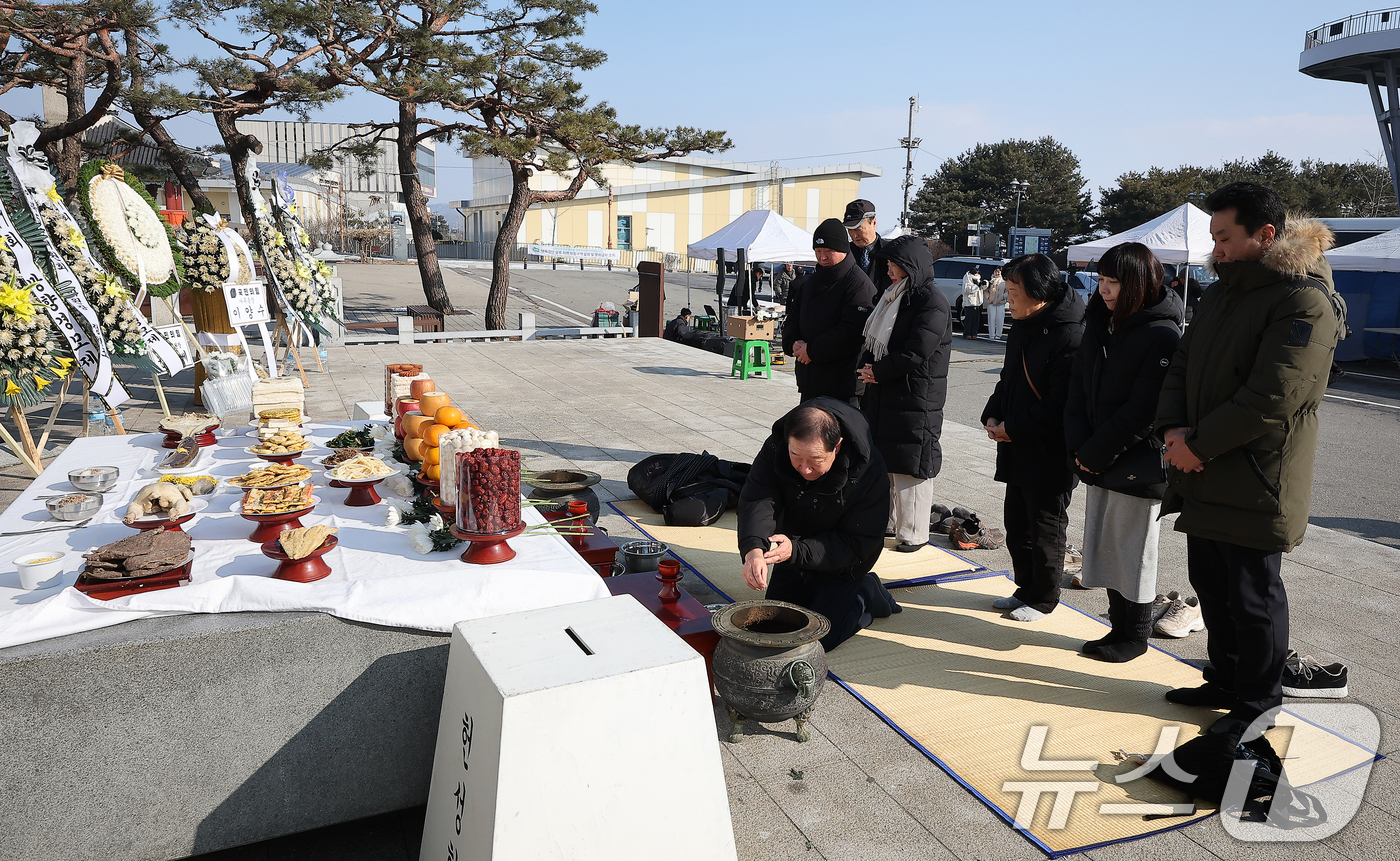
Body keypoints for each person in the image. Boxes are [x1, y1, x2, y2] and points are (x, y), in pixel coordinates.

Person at [1156, 181, 1344, 731]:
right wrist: (1172, 431)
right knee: (1211, 584)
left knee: (1253, 596)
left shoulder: (1304, 299)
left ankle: (1259, 702)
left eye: (1224, 237)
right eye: (1213, 237)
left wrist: (1195, 446)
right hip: (1204, 465)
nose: (1216, 249)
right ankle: (1227, 676)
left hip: (1259, 474)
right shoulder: (1223, 294)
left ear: (1266, 234)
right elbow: (1182, 366)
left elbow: (1272, 398)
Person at [1064, 242, 1183, 662]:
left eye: (1113, 282)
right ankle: (1118, 628)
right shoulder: (1101, 322)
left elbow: (1144, 411)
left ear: (1138, 282)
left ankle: (1135, 634)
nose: (1104, 290)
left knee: (1133, 549)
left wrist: (1095, 451)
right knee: (1105, 544)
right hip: (1097, 454)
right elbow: (1077, 386)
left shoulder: (1162, 333)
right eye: (1101, 280)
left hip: (1136, 460)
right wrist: (1079, 445)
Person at [737, 398, 901, 651]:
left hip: (845, 558)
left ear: (837, 447)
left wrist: (796, 550)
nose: (805, 468)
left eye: (815, 459)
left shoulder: (868, 467)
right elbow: (758, 497)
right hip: (793, 548)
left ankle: (866, 594)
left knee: (820, 638)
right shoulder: (776, 447)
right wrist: (753, 549)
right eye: (795, 456)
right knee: (777, 626)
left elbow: (860, 542)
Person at [981, 254, 1086, 621]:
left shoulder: (1069, 334)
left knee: (1046, 528)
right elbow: (1007, 381)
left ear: (1039, 293)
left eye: (1013, 292)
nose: (1007, 299)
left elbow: (1061, 403)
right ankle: (1025, 588)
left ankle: (1044, 598)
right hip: (1017, 445)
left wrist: (1014, 427)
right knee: (1017, 524)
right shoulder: (1025, 324)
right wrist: (993, 414)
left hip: (1049, 450)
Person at [856, 236, 953, 552]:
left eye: (894, 265)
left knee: (912, 465)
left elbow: (916, 351)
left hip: (916, 397)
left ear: (911, 266)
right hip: (886, 393)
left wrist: (877, 372)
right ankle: (888, 523)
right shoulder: (894, 296)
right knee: (885, 461)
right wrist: (868, 369)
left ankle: (913, 533)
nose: (889, 270)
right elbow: (874, 341)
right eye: (887, 264)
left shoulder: (932, 302)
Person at [783, 218, 876, 404]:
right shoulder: (810, 284)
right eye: (818, 251)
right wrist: (793, 343)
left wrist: (812, 351)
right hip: (810, 380)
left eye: (828, 251)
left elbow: (851, 332)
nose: (822, 257)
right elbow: (792, 319)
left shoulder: (858, 284)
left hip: (843, 385)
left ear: (843, 250)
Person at [842, 199, 892, 294]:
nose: (854, 235)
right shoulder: (845, 253)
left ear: (874, 223)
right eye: (850, 230)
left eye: (858, 229)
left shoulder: (891, 253)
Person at [961, 267, 985, 340]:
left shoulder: (978, 278)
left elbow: (982, 288)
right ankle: (967, 333)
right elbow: (967, 290)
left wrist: (984, 284)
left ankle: (974, 333)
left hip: (977, 302)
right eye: (975, 273)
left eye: (977, 273)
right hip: (969, 302)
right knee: (969, 320)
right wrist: (977, 286)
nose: (977, 274)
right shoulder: (967, 278)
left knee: (976, 320)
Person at [986, 267, 1007, 340]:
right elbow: (985, 290)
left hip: (1000, 303)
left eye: (999, 271)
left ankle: (998, 334)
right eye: (996, 271)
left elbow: (1008, 291)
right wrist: (989, 297)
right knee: (991, 319)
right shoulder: (989, 280)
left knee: (1000, 319)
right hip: (991, 303)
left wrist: (1003, 297)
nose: (997, 273)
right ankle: (991, 334)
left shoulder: (1004, 281)